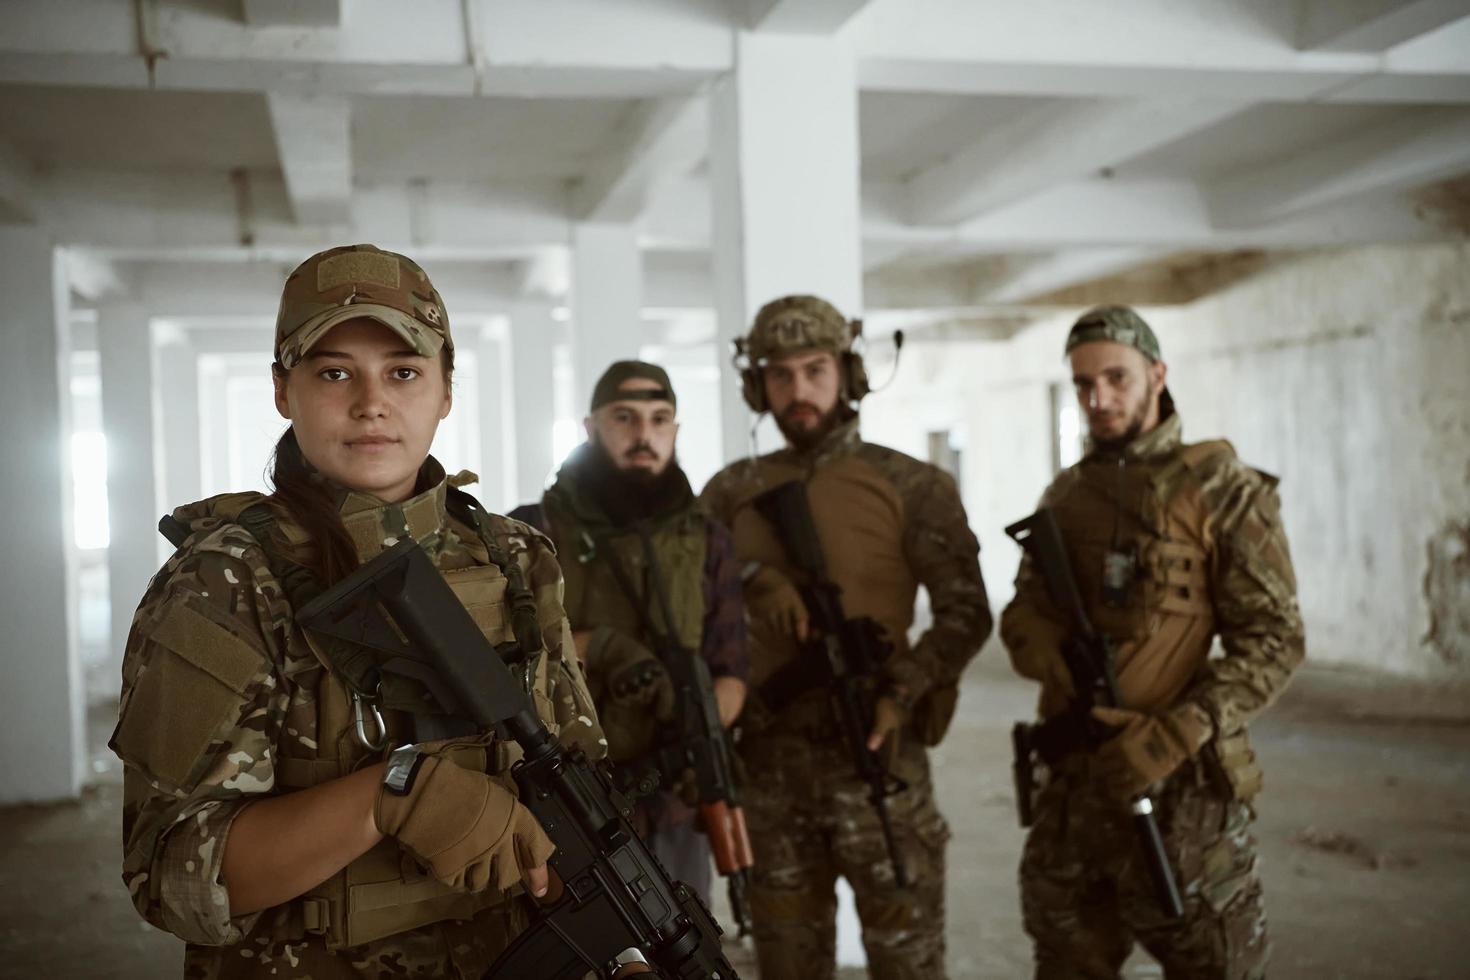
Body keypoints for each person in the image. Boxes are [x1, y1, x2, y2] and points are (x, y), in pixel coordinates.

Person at [109, 244, 605, 979]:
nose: (371, 402)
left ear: (444, 391)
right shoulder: (226, 580)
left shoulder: (516, 557)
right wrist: (390, 797)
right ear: (283, 390)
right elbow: (170, 874)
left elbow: (581, 778)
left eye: (403, 372)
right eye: (334, 372)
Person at [1000, 305, 1306, 979]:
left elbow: (1276, 639)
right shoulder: (1066, 494)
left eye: (1116, 378)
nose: (1097, 398)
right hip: (1075, 791)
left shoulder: (1223, 488)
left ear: (1158, 375)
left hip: (1180, 796)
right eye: (1082, 384)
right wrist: (1040, 647)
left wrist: (1177, 731)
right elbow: (1023, 611)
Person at [701, 295, 992, 980]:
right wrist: (753, 577)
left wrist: (904, 688)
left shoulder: (912, 484)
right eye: (780, 374)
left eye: (816, 369)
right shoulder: (728, 491)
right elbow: (685, 595)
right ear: (757, 384)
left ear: (848, 373)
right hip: (769, 765)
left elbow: (966, 613)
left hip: (879, 757)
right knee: (787, 965)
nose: (798, 391)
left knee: (908, 961)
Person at [509, 360, 749, 905]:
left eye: (659, 419)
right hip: (568, 794)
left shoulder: (708, 539)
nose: (645, 435)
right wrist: (605, 650)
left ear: (676, 431)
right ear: (591, 428)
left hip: (676, 799)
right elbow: (509, 660)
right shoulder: (531, 531)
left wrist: (699, 729)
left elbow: (732, 668)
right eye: (626, 417)